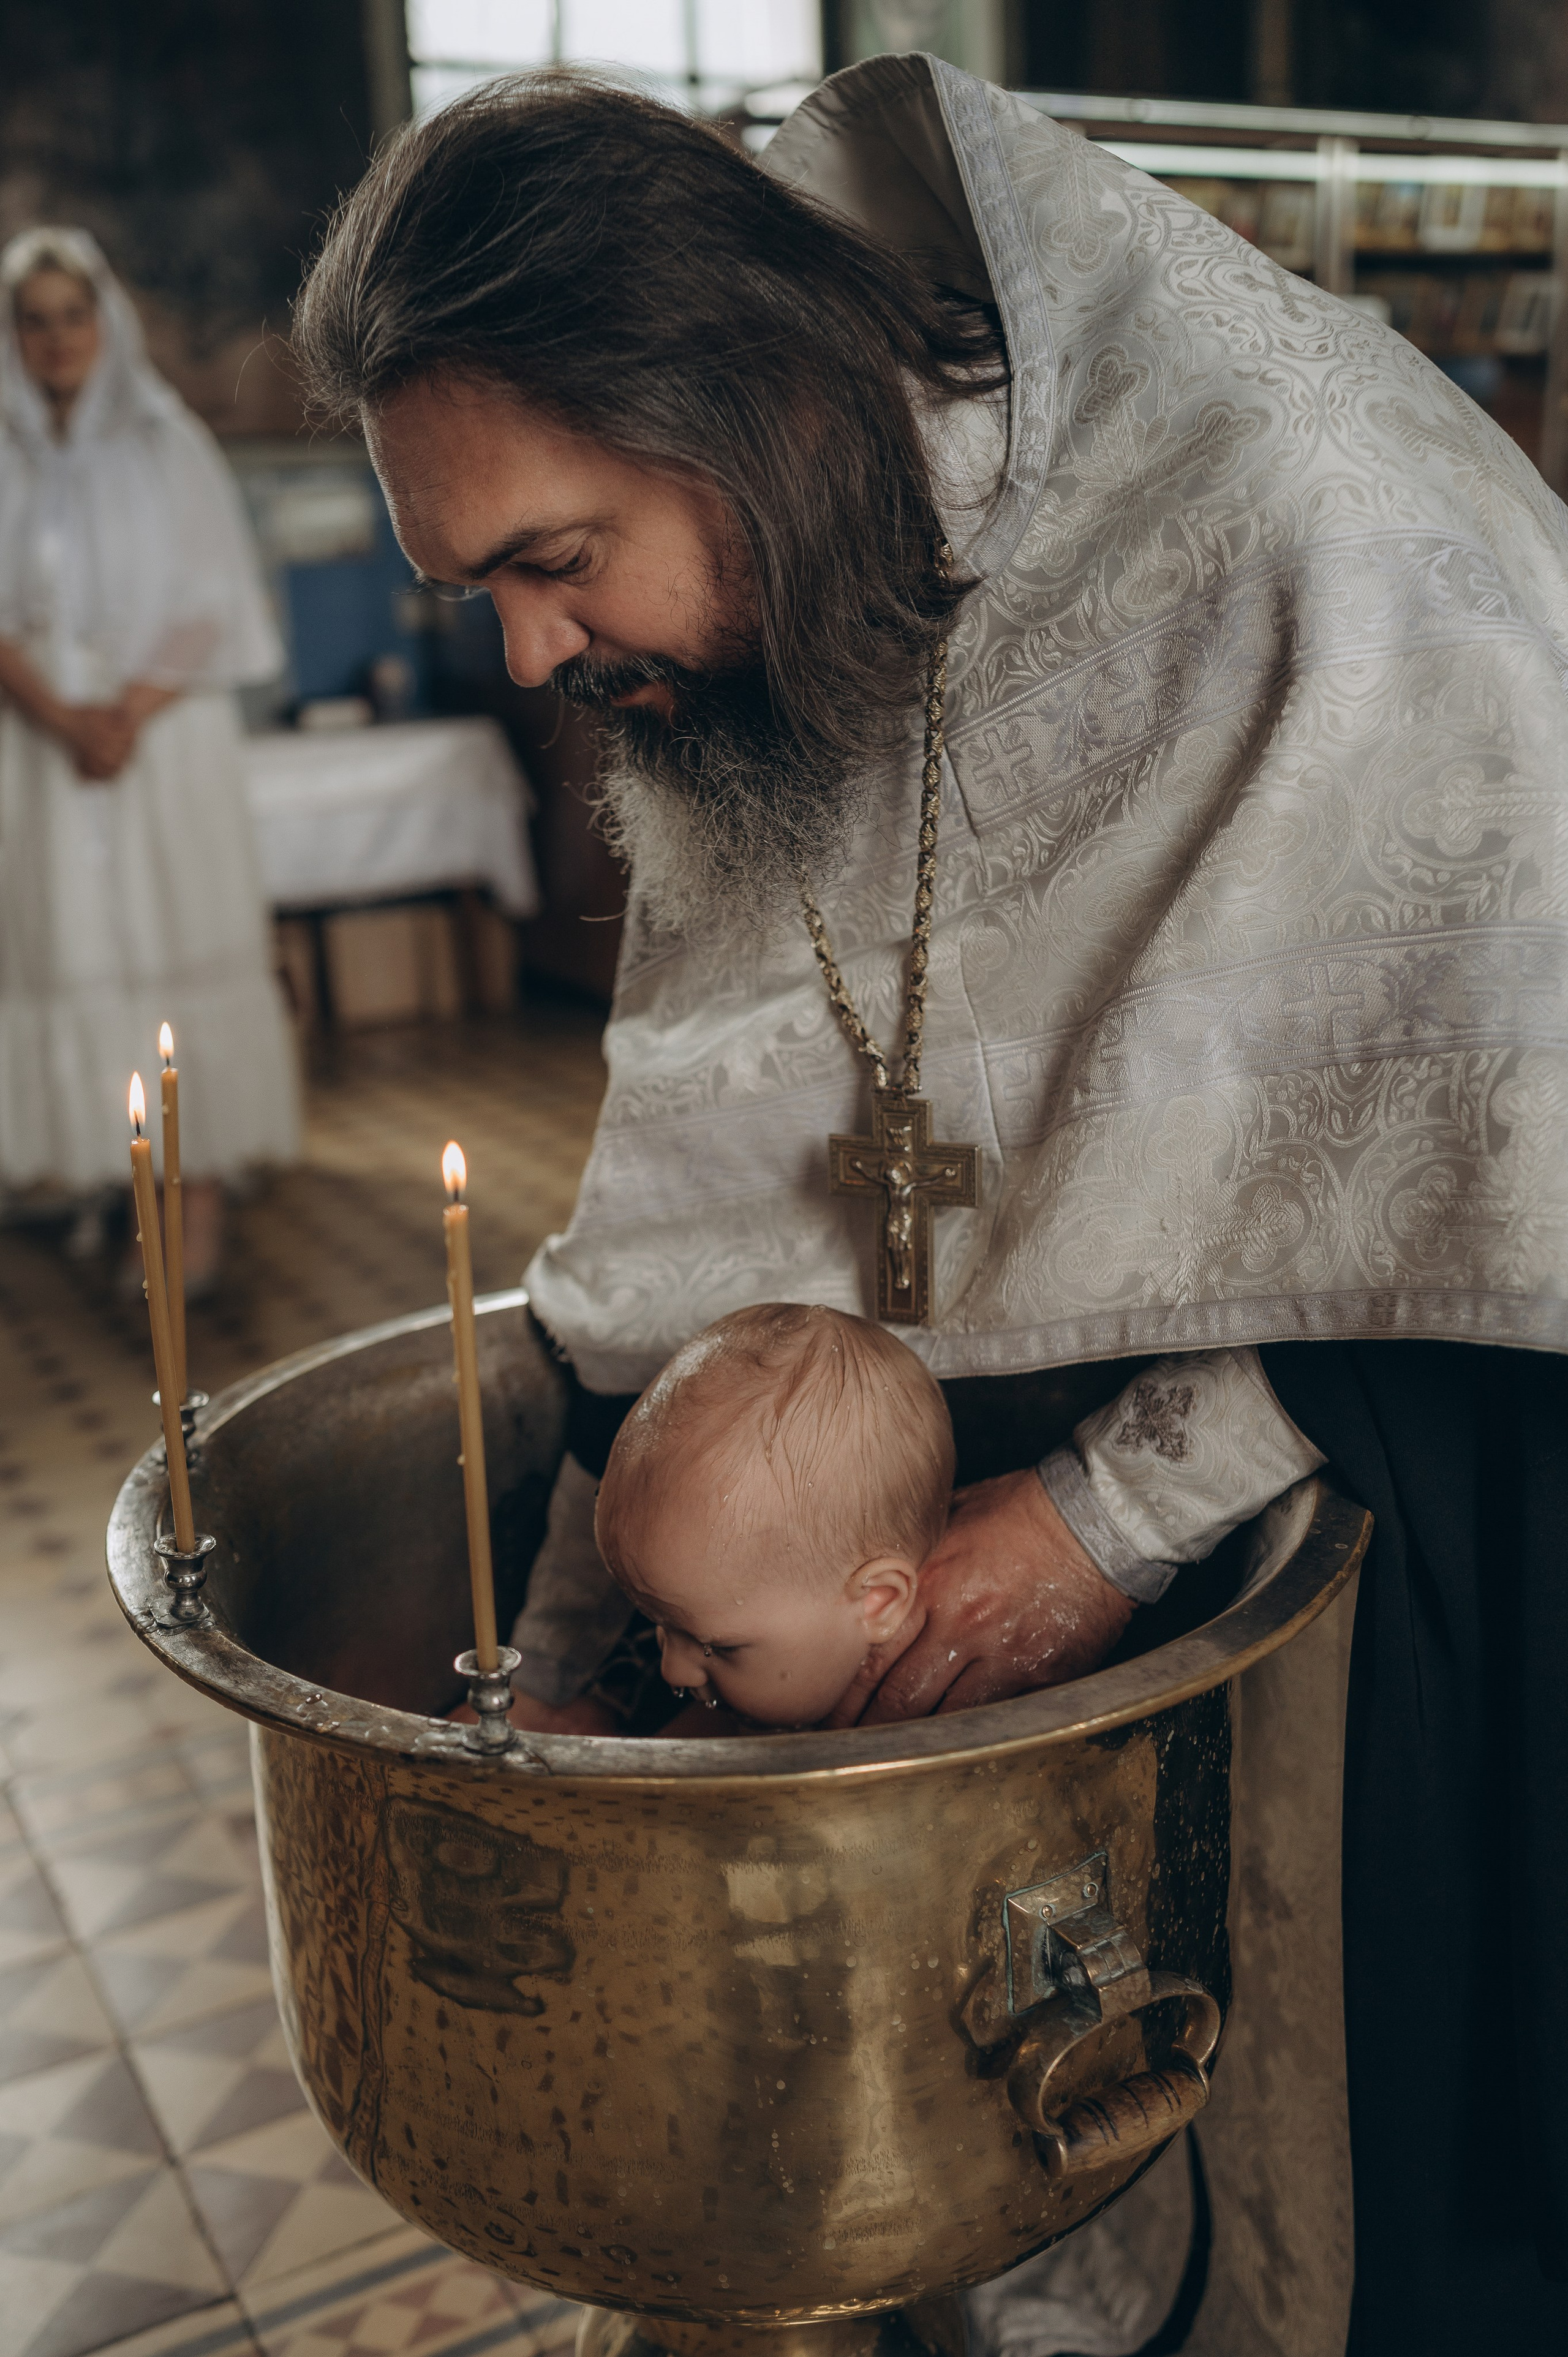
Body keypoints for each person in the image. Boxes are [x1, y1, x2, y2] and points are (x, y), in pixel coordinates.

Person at [292, 56, 1568, 2355]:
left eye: (548, 561)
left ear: (739, 406)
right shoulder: (754, 649)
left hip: (1319, 1557)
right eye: (471, 584)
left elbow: (1493, 1163)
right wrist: (578, 1672)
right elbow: (705, 1187)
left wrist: (1092, 1515)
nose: (528, 658)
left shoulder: (1305, 521)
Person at [0, 227, 300, 1281]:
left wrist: (122, 712)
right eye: (31, 320)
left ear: (104, 320)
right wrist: (64, 717)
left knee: (178, 948)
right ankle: (110, 1178)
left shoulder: (168, 440)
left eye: (70, 316)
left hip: (162, 744)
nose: (53, 338)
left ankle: (201, 1199)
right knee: (75, 954)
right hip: (41, 747)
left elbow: (219, 605)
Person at [596, 1302, 954, 1727]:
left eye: (717, 1648)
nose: (672, 1671)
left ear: (879, 1602)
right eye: (657, 1622)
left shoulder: (959, 1719)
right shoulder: (729, 1636)